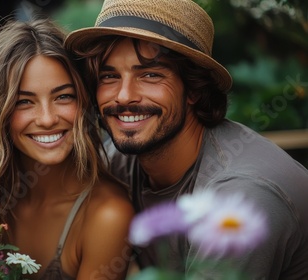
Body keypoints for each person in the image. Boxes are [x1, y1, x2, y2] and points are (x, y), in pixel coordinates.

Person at [64, 0, 308, 279]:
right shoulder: (120, 165)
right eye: (109, 76)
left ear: (193, 88)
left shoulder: (240, 198)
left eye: (150, 75)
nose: (123, 96)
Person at [0, 18, 135, 280]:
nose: (47, 118)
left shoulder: (107, 215)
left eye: (63, 96)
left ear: (85, 101)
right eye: (24, 102)